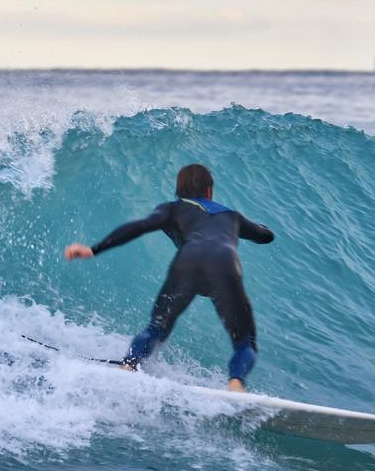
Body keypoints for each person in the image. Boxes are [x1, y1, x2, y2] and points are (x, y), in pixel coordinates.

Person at [64, 163, 274, 392]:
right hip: (225, 263)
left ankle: (128, 367)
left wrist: (93, 249)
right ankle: (236, 383)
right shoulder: (231, 216)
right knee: (245, 342)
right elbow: (265, 236)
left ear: (179, 190)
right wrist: (248, 225)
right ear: (209, 191)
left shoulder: (171, 210)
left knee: (157, 328)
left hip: (189, 261)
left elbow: (140, 226)